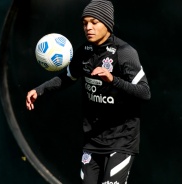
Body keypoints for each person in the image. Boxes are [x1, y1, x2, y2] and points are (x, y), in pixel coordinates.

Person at [26, 0, 151, 183]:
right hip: (92, 141)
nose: (88, 28)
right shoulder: (84, 51)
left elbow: (145, 92)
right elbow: (67, 78)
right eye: (85, 23)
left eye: (94, 22)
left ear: (107, 23)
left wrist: (113, 80)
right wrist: (40, 90)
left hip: (121, 140)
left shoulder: (124, 52)